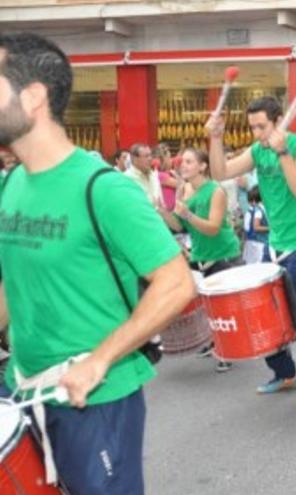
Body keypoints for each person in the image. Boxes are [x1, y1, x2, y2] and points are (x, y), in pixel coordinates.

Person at [0, 32, 194, 494]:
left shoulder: (104, 189)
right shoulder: (11, 185)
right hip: (24, 390)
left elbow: (176, 283)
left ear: (32, 98)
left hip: (97, 400)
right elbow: (13, 286)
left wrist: (99, 361)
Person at [205, 95, 296, 410]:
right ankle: (286, 373)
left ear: (277, 121)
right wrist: (215, 138)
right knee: (264, 316)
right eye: (252, 127)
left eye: (262, 126)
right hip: (274, 244)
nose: (257, 133)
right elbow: (220, 173)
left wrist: (283, 152)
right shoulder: (258, 150)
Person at [156, 148, 241, 373]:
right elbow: (178, 226)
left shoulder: (216, 190)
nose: (183, 165)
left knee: (223, 308)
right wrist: (162, 212)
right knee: (206, 305)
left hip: (222, 252)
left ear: (203, 166)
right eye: (182, 162)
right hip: (200, 255)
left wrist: (188, 215)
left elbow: (213, 227)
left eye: (189, 161)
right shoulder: (184, 190)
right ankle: (214, 342)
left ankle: (227, 351)